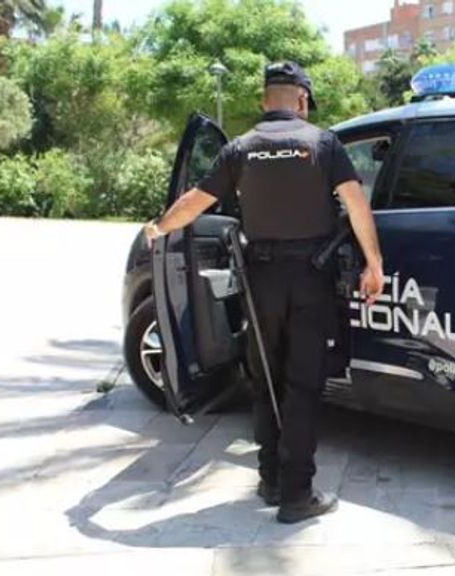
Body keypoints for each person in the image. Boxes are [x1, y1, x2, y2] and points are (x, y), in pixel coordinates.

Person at [143, 61, 384, 524]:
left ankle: (271, 478)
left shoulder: (241, 148)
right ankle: (297, 495)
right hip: (310, 279)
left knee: (266, 381)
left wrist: (159, 227)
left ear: (263, 101)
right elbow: (356, 204)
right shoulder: (322, 143)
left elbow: (196, 202)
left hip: (260, 281)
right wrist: (373, 264)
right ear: (302, 100)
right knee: (303, 384)